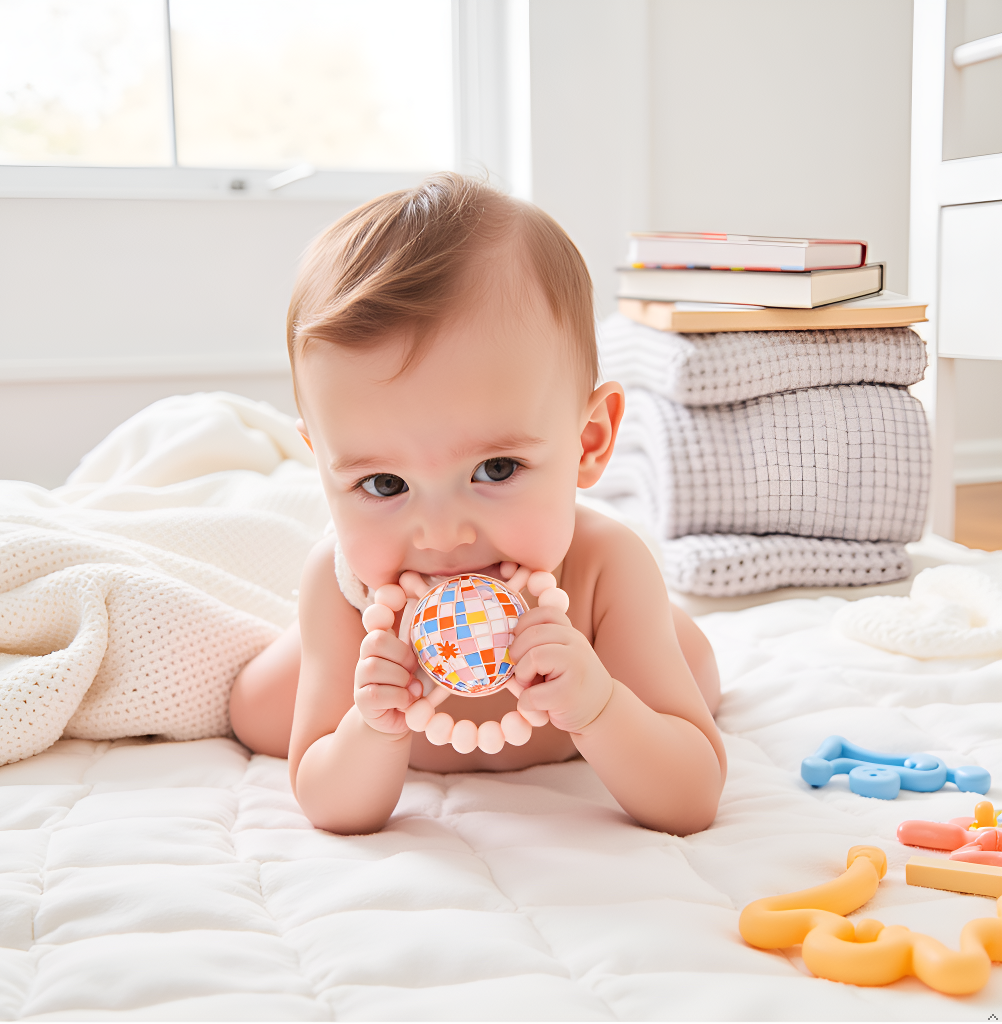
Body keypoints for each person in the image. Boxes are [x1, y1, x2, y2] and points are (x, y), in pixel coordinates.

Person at [229, 173, 725, 836]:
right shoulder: (346, 593)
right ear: (321, 466)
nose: (440, 535)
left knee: (699, 672)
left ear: (588, 442)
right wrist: (372, 727)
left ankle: (666, 639)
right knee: (253, 710)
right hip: (353, 651)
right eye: (384, 484)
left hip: (620, 641)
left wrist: (601, 705)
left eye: (495, 469)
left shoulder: (606, 569)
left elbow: (692, 798)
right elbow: (327, 802)